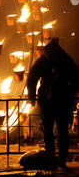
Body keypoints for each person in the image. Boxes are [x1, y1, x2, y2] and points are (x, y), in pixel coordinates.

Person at [27, 38, 79, 168]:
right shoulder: (66, 60)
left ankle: (50, 158)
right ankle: (61, 160)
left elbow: (32, 78)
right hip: (63, 100)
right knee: (62, 131)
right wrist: (71, 93)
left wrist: (32, 96)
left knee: (48, 130)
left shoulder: (43, 61)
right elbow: (77, 77)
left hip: (48, 100)